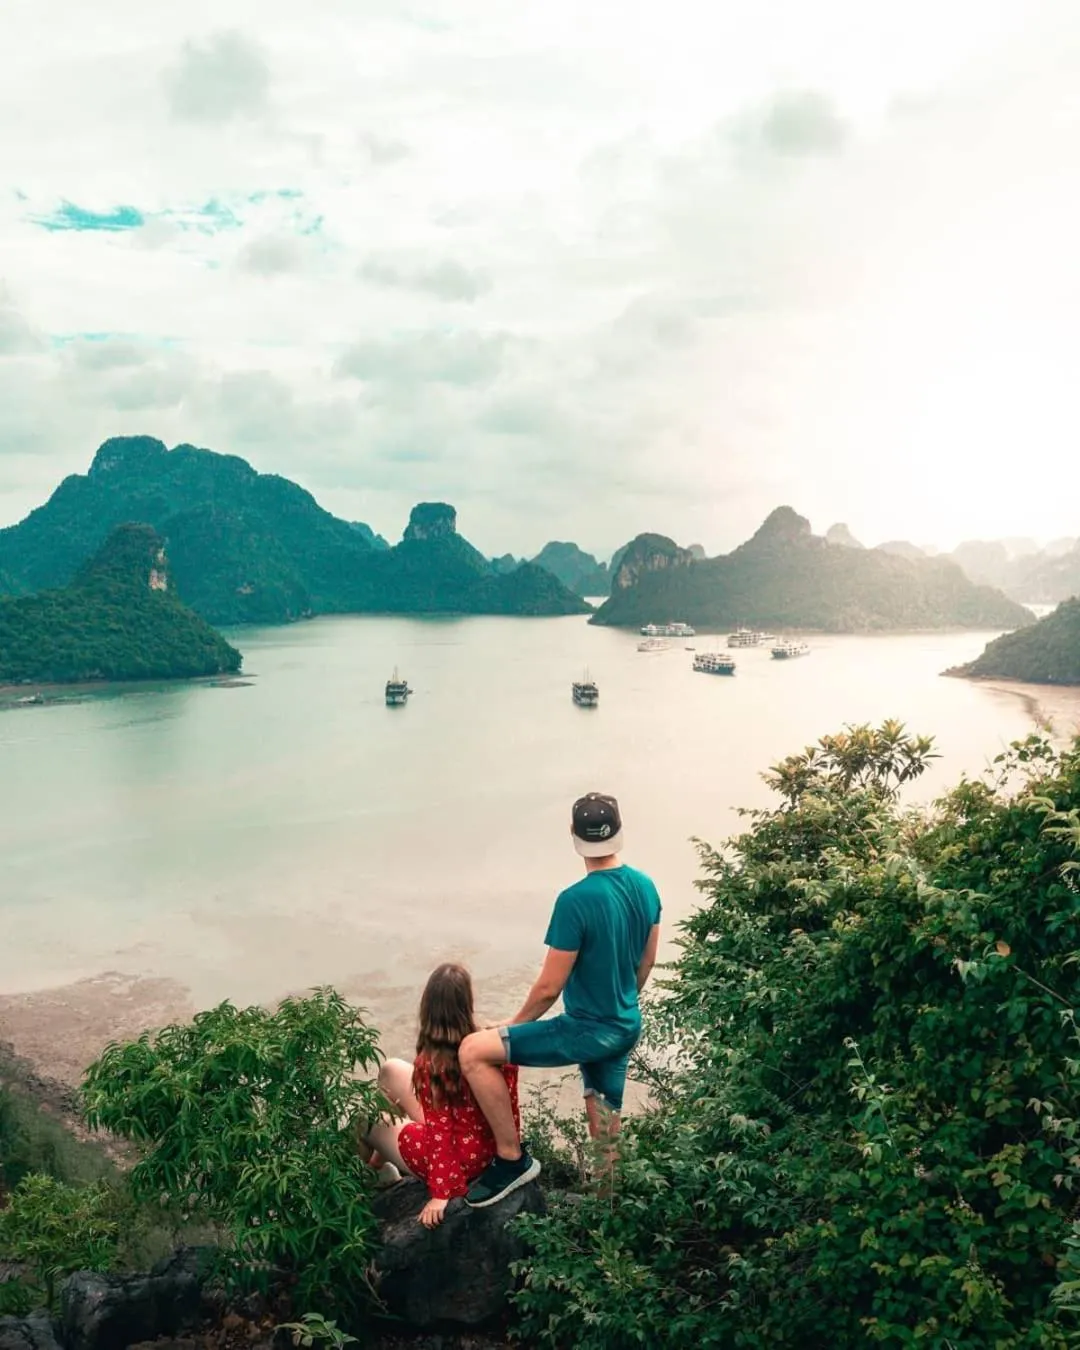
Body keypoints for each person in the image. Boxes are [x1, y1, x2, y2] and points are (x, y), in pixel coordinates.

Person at [459, 792, 661, 1208]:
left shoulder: (575, 900)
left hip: (589, 1028)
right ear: (619, 831)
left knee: (474, 1052)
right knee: (603, 1120)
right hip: (625, 1024)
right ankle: (608, 1209)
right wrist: (620, 1002)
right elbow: (646, 964)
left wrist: (508, 1029)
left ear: (573, 836)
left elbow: (549, 988)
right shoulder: (646, 886)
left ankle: (511, 1160)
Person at [359, 962, 520, 1228]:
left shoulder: (433, 1062)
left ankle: (375, 1171)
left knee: (366, 1117)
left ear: (427, 1006)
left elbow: (440, 1133)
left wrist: (442, 1193)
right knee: (390, 1070)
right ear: (468, 1002)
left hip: (459, 1160)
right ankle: (381, 1159)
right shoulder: (490, 1046)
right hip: (485, 1147)